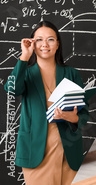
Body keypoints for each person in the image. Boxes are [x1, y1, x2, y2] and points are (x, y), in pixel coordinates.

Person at [7, 21, 89, 184]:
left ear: (57, 44)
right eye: (39, 40)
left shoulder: (71, 73)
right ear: (32, 44)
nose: (45, 44)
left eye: (51, 39)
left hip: (68, 151)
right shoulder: (26, 74)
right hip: (37, 150)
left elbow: (84, 114)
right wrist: (24, 56)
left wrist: (71, 117)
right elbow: (12, 89)